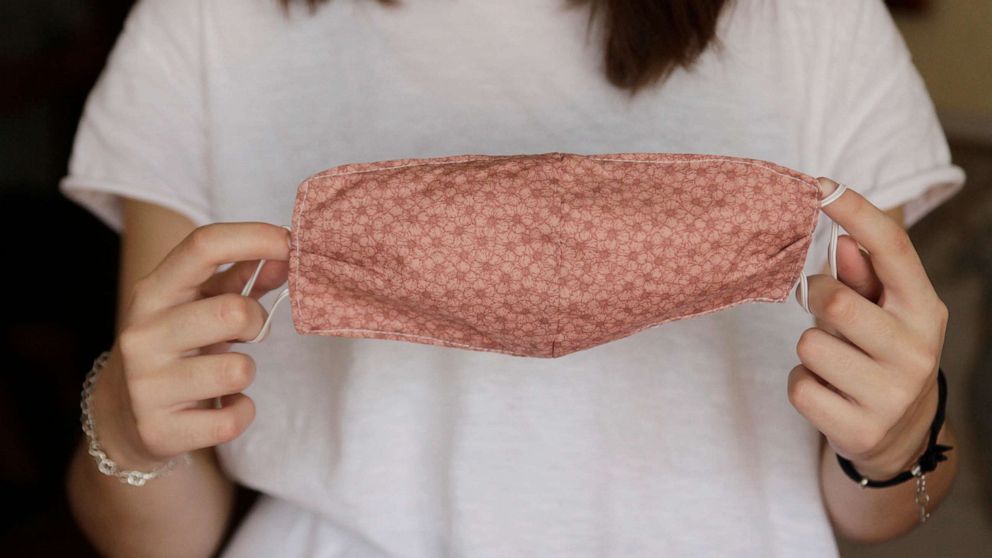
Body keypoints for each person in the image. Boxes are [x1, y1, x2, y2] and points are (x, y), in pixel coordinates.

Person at [60, 0, 966, 556]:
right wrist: (128, 434)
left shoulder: (816, 20)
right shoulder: (208, 20)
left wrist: (898, 444)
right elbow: (157, 539)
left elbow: (883, 506)